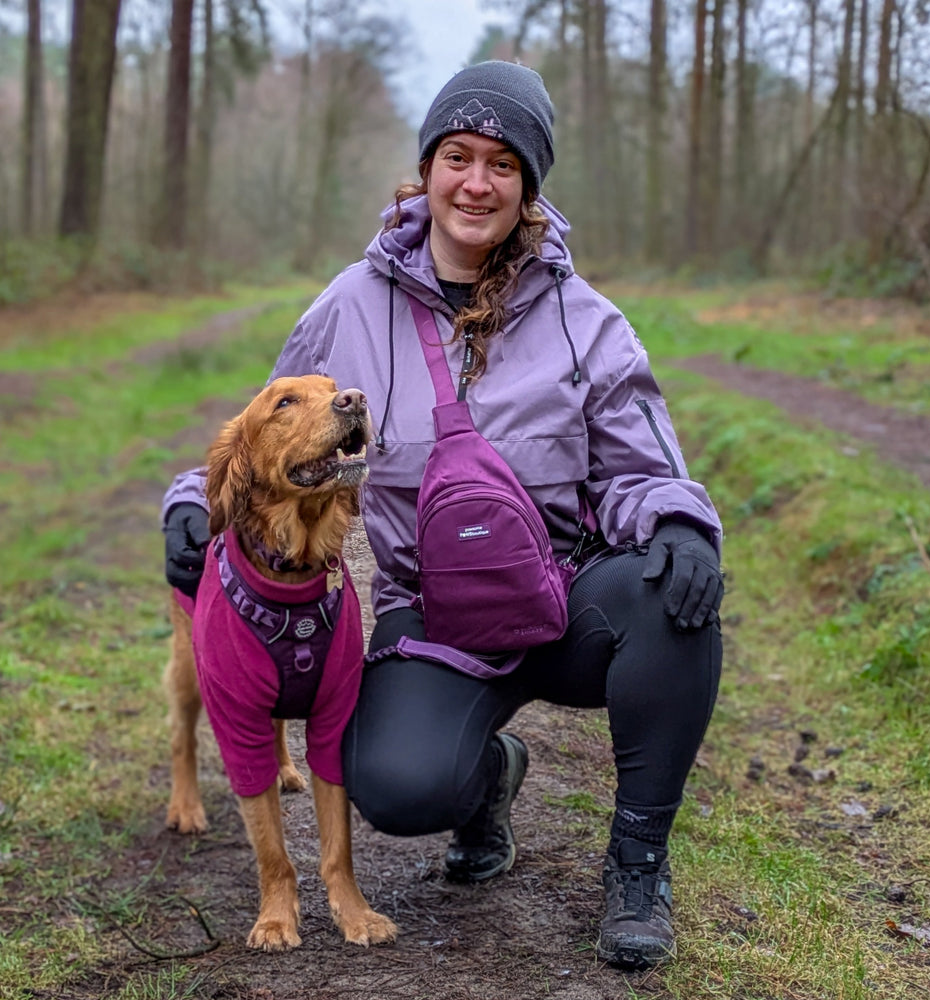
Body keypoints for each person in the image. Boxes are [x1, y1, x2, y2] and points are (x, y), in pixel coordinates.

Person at [162, 60, 724, 970]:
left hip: (567, 593)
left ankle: (638, 863)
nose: (476, 181)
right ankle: (485, 782)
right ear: (425, 171)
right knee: (395, 782)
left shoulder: (589, 324)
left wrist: (680, 521)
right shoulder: (349, 306)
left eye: (502, 163)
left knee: (674, 593)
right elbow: (266, 430)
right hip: (433, 619)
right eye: (457, 156)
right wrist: (190, 505)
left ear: (528, 186)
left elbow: (645, 467)